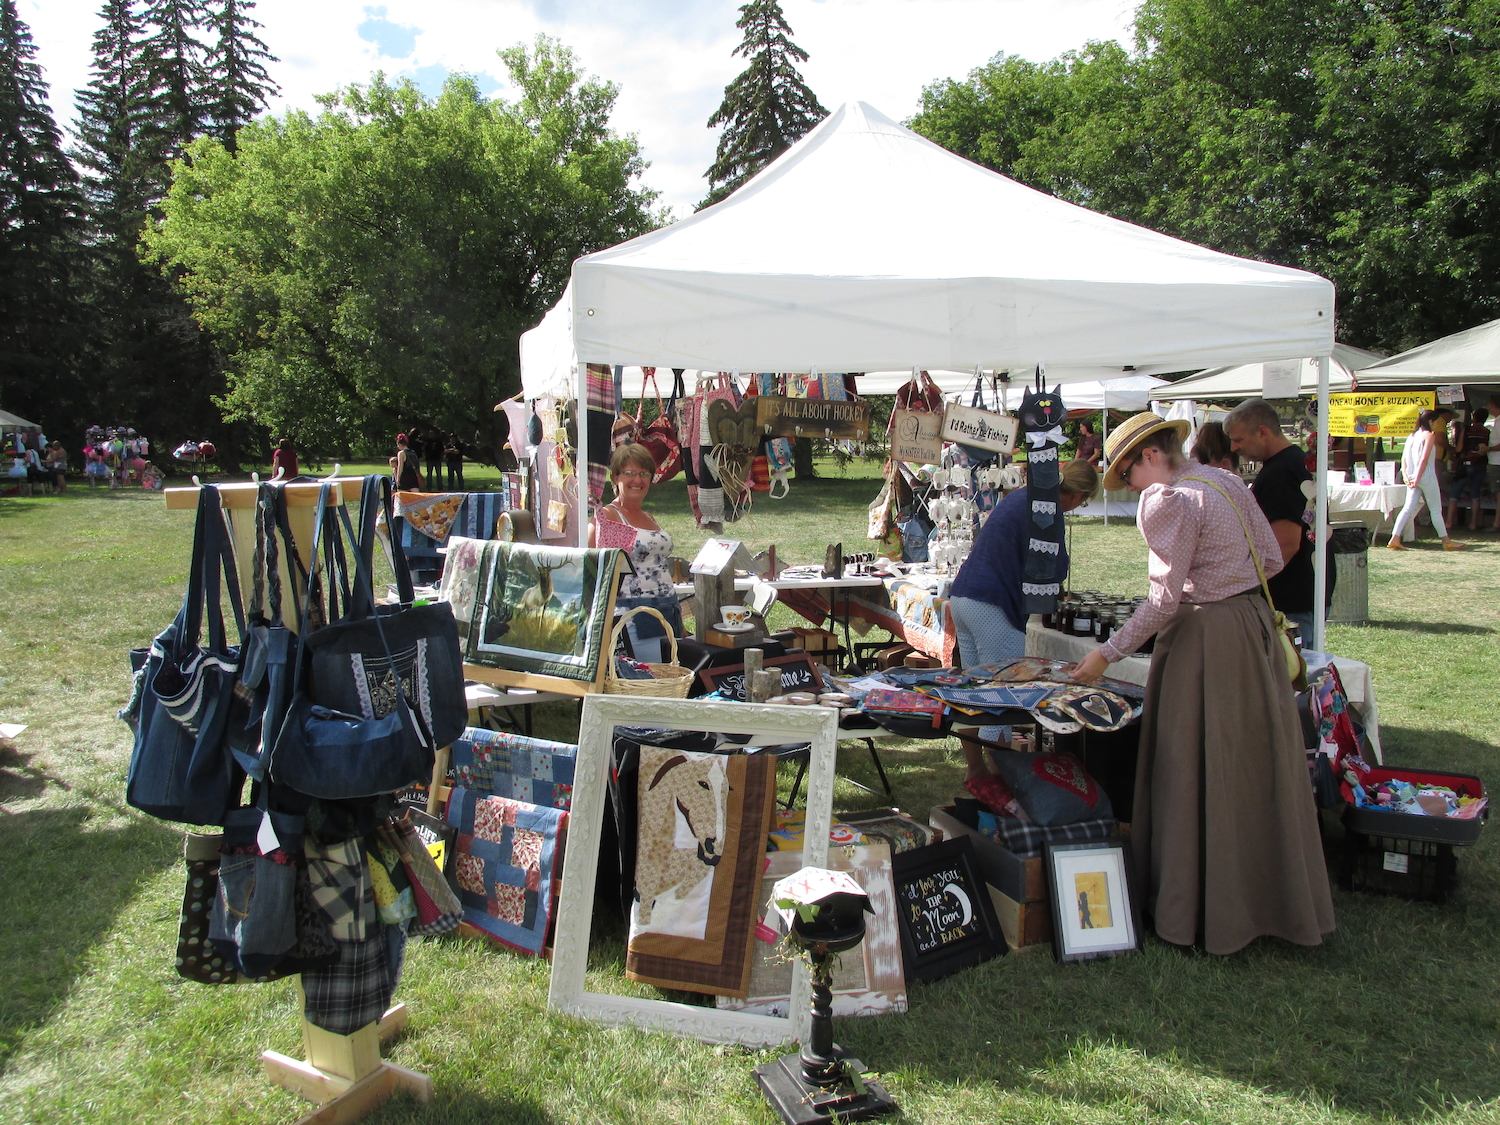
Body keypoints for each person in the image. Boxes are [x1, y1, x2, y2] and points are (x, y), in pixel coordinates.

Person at [1070, 412, 1334, 955]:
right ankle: (1264, 901)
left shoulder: (1170, 499)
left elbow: (1165, 600)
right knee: (1252, 770)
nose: (1131, 489)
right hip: (1251, 631)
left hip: (1205, 640)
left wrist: (1107, 653)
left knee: (1193, 769)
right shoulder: (1227, 480)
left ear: (1147, 457)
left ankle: (1197, 908)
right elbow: (1268, 558)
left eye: (1128, 476)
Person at [948, 458, 1099, 779]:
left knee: (976, 695)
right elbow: (1054, 569)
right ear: (1075, 494)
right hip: (991, 603)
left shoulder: (1022, 495)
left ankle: (977, 775)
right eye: (1082, 501)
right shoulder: (1050, 508)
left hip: (963, 595)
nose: (1077, 507)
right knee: (1000, 700)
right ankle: (1003, 783)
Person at [1225, 399, 1320, 640]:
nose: (1234, 448)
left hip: (1290, 599)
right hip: (1299, 594)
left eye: (1238, 439)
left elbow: (1285, 544)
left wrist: (1241, 586)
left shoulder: (1281, 472)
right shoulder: (1292, 462)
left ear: (1262, 432)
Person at [589, 443, 682, 661]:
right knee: (649, 679)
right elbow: (592, 568)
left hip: (668, 610)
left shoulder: (649, 517)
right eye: (629, 473)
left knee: (671, 676)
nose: (638, 480)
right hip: (634, 616)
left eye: (643, 474)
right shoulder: (608, 517)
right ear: (615, 477)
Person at [1388, 409, 1462, 550]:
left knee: (1407, 508)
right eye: (1435, 422)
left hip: (1411, 476)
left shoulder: (1412, 436)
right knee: (1435, 509)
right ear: (1430, 422)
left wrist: (1406, 475)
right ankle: (1446, 541)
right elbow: (1424, 459)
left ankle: (1395, 538)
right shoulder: (1429, 435)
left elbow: (1403, 458)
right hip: (1426, 476)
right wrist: (1417, 477)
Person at [1447, 405, 1489, 533]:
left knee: (1454, 494)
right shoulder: (1487, 432)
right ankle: (1473, 523)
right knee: (1476, 494)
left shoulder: (1467, 430)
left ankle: (1449, 522)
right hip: (1480, 465)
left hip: (1465, 465)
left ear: (1473, 417)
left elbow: (1459, 448)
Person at [1488, 395, 1500, 531]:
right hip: (1495, 461)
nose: (1488, 407)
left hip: (1497, 462)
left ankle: (1496, 524)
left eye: (1489, 405)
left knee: (1498, 494)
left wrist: (1488, 449)